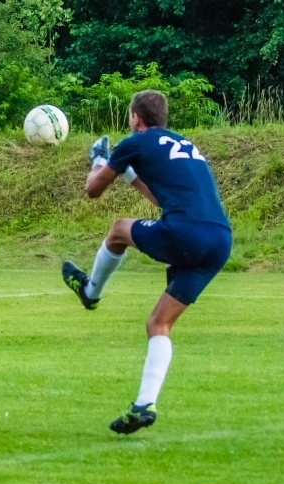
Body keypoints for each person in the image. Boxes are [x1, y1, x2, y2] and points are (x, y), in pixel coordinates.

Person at [61, 90, 232, 435]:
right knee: (158, 324)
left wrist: (99, 159)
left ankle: (91, 292)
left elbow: (92, 190)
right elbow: (162, 197)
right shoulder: (185, 145)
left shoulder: (134, 142)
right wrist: (126, 173)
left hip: (186, 233)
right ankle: (144, 405)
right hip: (219, 240)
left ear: (136, 118)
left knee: (118, 229)